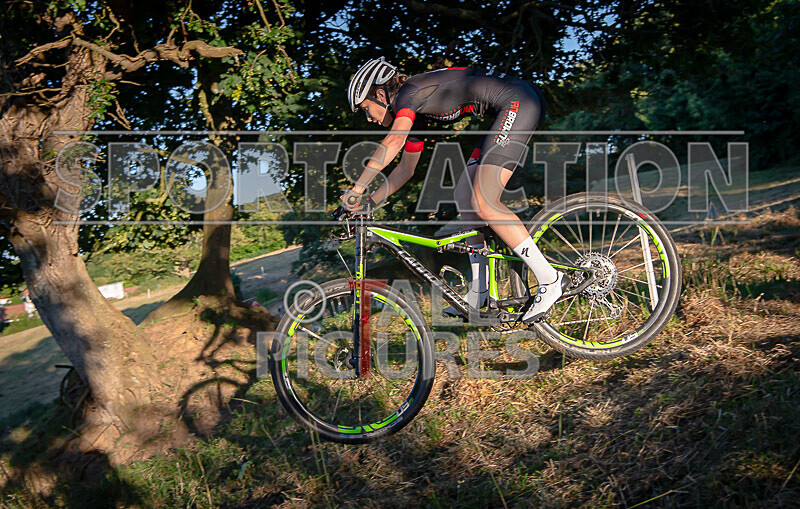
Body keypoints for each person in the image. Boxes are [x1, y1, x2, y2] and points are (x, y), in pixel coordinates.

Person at [342, 57, 568, 323]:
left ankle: (550, 278)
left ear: (380, 94)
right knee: (464, 195)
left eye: (367, 108)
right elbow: (406, 169)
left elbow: (393, 142)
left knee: (484, 200)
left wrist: (357, 187)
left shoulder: (408, 94)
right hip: (510, 107)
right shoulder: (415, 111)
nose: (369, 118)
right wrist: (368, 201)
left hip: (518, 102)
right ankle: (480, 291)